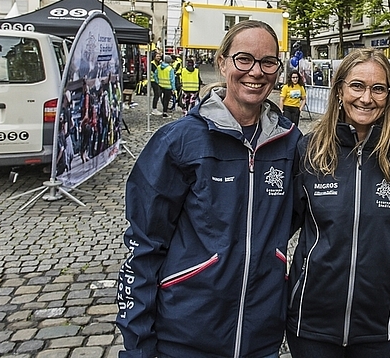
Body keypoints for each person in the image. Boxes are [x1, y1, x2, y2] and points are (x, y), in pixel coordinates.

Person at [116, 20, 301, 358]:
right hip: (187, 334)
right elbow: (144, 245)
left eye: (268, 62)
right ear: (222, 62)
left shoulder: (291, 144)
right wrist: (138, 345)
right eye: (244, 59)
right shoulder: (180, 142)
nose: (256, 72)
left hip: (260, 336)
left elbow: (300, 218)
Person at [287, 49, 390, 358]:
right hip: (311, 320)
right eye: (357, 86)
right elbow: (282, 224)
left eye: (378, 88)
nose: (366, 98)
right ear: (339, 90)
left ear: (389, 95)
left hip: (375, 322)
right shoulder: (309, 149)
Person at [150, 50, 162, 115]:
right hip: (154, 81)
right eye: (157, 56)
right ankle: (154, 109)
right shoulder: (152, 63)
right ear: (154, 57)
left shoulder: (159, 63)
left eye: (159, 56)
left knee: (158, 94)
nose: (158, 57)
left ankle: (155, 108)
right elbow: (156, 72)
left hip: (158, 81)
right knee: (156, 95)